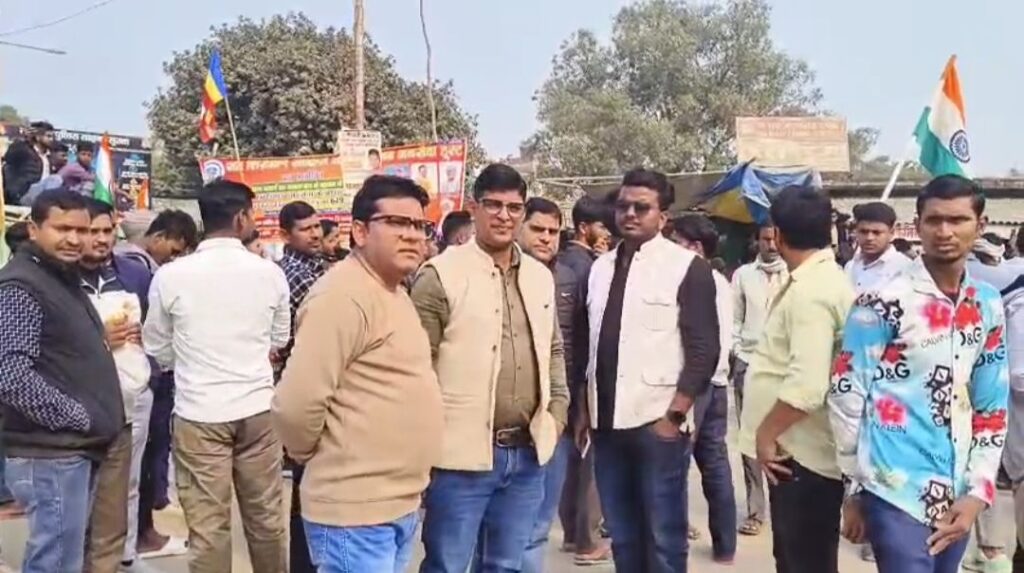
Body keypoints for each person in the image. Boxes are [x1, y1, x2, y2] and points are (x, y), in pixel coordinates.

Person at [829, 175, 1009, 573]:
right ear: (918, 224)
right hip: (894, 488)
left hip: (958, 492)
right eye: (934, 220)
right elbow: (846, 394)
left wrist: (978, 492)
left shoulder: (987, 304)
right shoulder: (881, 302)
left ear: (980, 225)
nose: (945, 232)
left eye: (957, 220)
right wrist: (854, 489)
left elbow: (992, 405)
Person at [273, 175, 443, 573]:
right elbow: (295, 405)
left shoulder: (393, 291)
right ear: (361, 231)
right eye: (396, 223)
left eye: (419, 225)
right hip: (354, 511)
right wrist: (313, 456)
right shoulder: (341, 296)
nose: (412, 235)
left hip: (394, 505)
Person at [413, 163, 570, 573]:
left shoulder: (539, 276)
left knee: (506, 565)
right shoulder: (440, 274)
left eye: (514, 208)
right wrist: (423, 449)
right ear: (474, 208)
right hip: (459, 458)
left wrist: (557, 412)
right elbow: (416, 368)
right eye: (493, 205)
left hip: (527, 452)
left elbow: (553, 349)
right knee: (447, 565)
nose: (504, 216)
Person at [142, 180, 291, 573]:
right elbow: (280, 337)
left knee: (208, 526)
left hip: (199, 412)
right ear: (241, 218)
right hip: (258, 410)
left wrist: (190, 363)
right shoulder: (269, 273)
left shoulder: (171, 276)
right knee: (266, 519)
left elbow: (156, 344)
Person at [577, 168, 720, 572]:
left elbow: (704, 349)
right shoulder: (599, 268)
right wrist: (584, 409)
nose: (630, 214)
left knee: (663, 538)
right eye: (623, 206)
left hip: (658, 424)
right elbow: (588, 346)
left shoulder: (686, 267)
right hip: (607, 425)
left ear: (663, 216)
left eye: (642, 207)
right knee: (623, 535)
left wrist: (675, 415)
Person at [0, 188, 125, 573]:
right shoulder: (22, 285)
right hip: (50, 453)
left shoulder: (57, 276)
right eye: (62, 228)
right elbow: (11, 375)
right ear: (34, 229)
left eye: (82, 230)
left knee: (64, 558)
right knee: (54, 562)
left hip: (69, 449)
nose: (74, 239)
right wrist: (78, 417)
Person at [738, 186, 854, 573]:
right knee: (796, 557)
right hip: (800, 451)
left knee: (803, 560)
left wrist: (765, 434)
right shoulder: (817, 279)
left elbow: (807, 386)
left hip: (801, 455)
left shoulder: (812, 291)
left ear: (778, 234)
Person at [78, 198, 158, 573]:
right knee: (81, 487)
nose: (101, 239)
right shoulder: (59, 277)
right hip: (81, 398)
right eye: (91, 231)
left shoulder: (134, 274)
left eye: (107, 230)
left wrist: (146, 345)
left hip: (133, 394)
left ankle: (124, 555)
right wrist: (98, 341)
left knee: (128, 481)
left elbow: (158, 329)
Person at [115, 209, 196, 561]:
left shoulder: (128, 265)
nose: (174, 258)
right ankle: (138, 539)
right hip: (145, 377)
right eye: (174, 250)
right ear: (158, 237)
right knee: (143, 463)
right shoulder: (139, 270)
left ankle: (133, 540)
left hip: (138, 377)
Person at [670, 214, 738, 564]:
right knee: (715, 464)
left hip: (696, 384)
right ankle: (725, 547)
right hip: (718, 381)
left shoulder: (694, 280)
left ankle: (675, 537)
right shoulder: (720, 281)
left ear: (695, 247)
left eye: (676, 242)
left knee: (675, 462)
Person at [275, 200, 326, 573]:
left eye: (316, 226)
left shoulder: (318, 268)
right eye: (305, 229)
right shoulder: (294, 275)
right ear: (285, 235)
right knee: (310, 488)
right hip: (309, 386)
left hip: (315, 383)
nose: (315, 234)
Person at [731, 222, 788, 537]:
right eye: (766, 239)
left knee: (784, 438)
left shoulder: (794, 274)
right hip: (749, 362)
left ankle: (785, 507)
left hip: (784, 366)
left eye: (776, 239)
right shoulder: (743, 275)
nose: (772, 246)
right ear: (758, 241)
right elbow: (734, 318)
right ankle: (756, 510)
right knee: (750, 438)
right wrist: (737, 352)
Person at [845, 201, 911, 293]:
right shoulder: (851, 266)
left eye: (876, 233)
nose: (869, 238)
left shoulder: (903, 268)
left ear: (891, 233)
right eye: (863, 232)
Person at [115, 209, 197, 273]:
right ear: (158, 237)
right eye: (173, 252)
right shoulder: (136, 267)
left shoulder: (119, 254)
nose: (174, 259)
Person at [2, 120, 53, 205]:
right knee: (55, 179)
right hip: (23, 193)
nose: (51, 139)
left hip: (42, 194)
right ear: (38, 137)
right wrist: (24, 138)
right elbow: (10, 154)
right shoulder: (24, 151)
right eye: (48, 136)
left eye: (52, 136)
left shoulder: (48, 157)